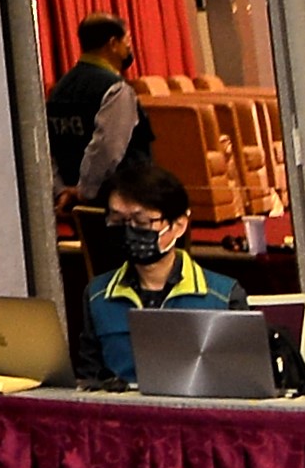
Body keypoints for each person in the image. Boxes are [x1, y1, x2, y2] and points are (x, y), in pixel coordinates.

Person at [82, 148, 240, 385]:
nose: (129, 230)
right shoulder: (97, 295)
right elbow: (87, 378)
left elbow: (240, 379)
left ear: (179, 225)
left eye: (141, 221)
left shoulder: (223, 296)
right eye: (118, 220)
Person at [45, 15, 146, 219]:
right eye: (127, 41)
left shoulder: (59, 89)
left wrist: (62, 190)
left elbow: (49, 147)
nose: (129, 48)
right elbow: (108, 148)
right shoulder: (115, 89)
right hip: (122, 200)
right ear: (113, 44)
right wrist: (85, 191)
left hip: (73, 202)